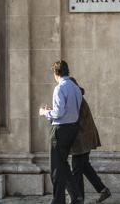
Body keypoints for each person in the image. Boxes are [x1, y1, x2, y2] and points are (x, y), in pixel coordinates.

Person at [39, 60, 83, 204]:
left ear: (55, 73)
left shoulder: (59, 88)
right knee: (63, 164)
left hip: (60, 130)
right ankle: (76, 196)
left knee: (56, 168)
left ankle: (58, 200)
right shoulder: (76, 88)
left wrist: (45, 112)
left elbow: (59, 112)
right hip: (72, 128)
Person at [68, 77, 111, 203]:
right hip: (84, 138)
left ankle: (78, 199)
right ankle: (103, 189)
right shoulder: (78, 97)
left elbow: (72, 119)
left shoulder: (76, 99)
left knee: (76, 170)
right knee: (84, 166)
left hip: (81, 139)